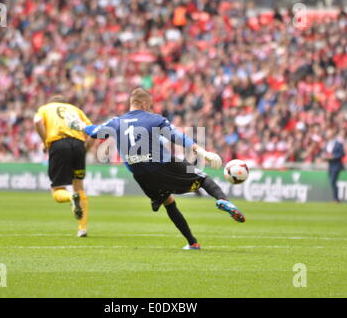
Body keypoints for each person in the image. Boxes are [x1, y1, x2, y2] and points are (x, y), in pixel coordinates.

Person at [66, 87, 245, 250]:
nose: (151, 109)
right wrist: (203, 152)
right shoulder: (155, 119)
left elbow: (95, 131)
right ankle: (222, 200)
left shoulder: (116, 122)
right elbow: (178, 137)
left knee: (168, 201)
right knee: (203, 178)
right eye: (150, 106)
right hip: (164, 165)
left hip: (141, 176)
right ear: (144, 104)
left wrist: (80, 126)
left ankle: (192, 242)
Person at [34, 96, 94, 237]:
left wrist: (46, 142)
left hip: (59, 143)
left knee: (57, 189)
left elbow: (37, 122)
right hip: (79, 144)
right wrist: (85, 150)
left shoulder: (45, 108)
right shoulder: (76, 110)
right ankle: (82, 228)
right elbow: (93, 132)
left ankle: (70, 197)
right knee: (79, 186)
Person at [324, 129, 345, 203]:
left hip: (336, 165)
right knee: (332, 181)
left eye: (328, 133)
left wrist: (334, 157)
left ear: (332, 134)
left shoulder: (338, 143)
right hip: (330, 165)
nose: (327, 135)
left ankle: (336, 198)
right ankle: (335, 198)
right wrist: (325, 157)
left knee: (333, 181)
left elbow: (342, 154)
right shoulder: (327, 143)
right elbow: (326, 153)